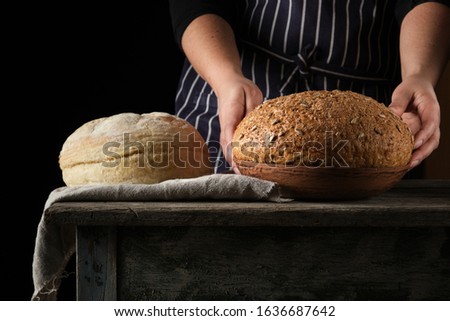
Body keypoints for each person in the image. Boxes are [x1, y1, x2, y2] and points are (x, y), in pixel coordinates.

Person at [168, 0, 450, 174]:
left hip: (373, 122)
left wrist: (419, 74)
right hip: (233, 93)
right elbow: (198, 3)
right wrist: (226, 78)